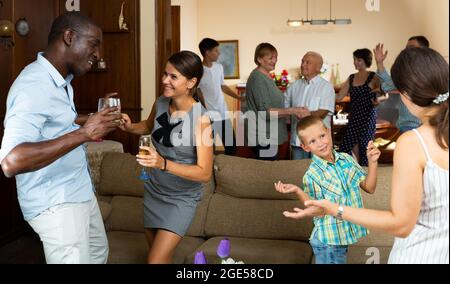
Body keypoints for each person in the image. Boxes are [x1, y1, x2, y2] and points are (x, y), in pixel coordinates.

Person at [300, 47, 449, 264]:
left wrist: (334, 208)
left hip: (418, 255)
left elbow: (401, 224)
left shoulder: (413, 143)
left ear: (405, 92)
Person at [0, 12, 122, 264]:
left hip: (78, 191)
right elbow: (11, 161)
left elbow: (56, 120)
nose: (98, 54)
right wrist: (84, 133)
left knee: (98, 253)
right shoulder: (33, 85)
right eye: (94, 44)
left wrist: (89, 119)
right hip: (57, 202)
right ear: (69, 37)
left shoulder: (61, 80)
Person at [119, 51, 214, 264]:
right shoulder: (161, 102)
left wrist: (162, 163)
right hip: (154, 190)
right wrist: (129, 127)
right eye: (165, 74)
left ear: (191, 82)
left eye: (173, 77)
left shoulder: (201, 119)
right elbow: (148, 125)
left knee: (154, 260)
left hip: (180, 198)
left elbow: (205, 172)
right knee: (160, 259)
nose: (164, 80)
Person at [275, 116, 380, 264]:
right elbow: (317, 210)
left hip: (342, 237)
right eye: (312, 141)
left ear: (329, 132)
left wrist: (373, 163)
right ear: (305, 147)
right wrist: (298, 191)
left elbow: (369, 188)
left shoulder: (347, 159)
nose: (320, 143)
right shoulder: (312, 175)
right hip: (328, 242)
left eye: (322, 136)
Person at [284, 52, 336, 160]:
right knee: (298, 174)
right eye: (302, 61)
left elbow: (323, 112)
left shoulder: (326, 87)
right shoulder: (293, 86)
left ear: (318, 67)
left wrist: (305, 114)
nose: (303, 65)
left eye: (308, 62)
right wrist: (292, 112)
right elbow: (285, 108)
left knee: (320, 174)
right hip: (298, 142)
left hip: (320, 144)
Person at [374, 36, 430, 134]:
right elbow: (388, 84)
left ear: (424, 50)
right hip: (407, 127)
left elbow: (386, 86)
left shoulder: (430, 71)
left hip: (423, 127)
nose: (407, 51)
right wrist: (379, 63)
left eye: (411, 47)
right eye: (406, 48)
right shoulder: (405, 69)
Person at [198, 38, 244, 156]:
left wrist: (239, 98)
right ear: (207, 52)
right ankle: (210, 173)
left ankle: (229, 173)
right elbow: (197, 90)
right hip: (208, 117)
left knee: (232, 148)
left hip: (223, 114)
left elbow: (223, 86)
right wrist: (204, 110)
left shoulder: (219, 67)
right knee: (208, 150)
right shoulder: (198, 71)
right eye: (216, 50)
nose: (219, 53)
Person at [337, 48, 382, 166]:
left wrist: (378, 99)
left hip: (367, 117)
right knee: (349, 144)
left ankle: (366, 172)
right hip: (354, 116)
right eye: (354, 60)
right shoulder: (351, 77)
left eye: (359, 60)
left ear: (366, 61)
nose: (355, 62)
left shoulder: (373, 76)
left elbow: (384, 94)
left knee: (365, 144)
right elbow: (339, 97)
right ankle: (356, 168)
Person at [245, 43, 288, 160]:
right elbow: (267, 112)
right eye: (270, 58)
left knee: (270, 172)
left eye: (275, 57)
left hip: (269, 134)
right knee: (268, 174)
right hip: (263, 136)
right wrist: (292, 111)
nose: (274, 60)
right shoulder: (257, 78)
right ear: (259, 59)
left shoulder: (266, 76)